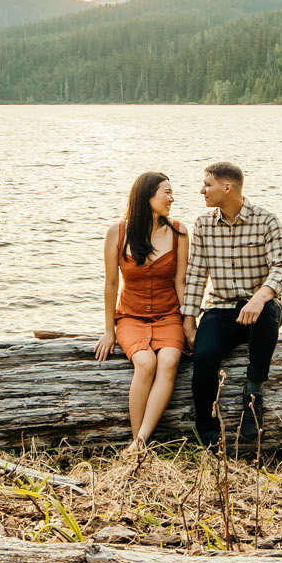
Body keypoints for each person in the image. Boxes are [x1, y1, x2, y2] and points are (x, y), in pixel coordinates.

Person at [181, 161, 282, 451]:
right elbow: (196, 273)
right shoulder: (203, 225)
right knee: (203, 357)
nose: (201, 190)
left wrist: (260, 296)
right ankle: (205, 427)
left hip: (260, 309)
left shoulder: (266, 220)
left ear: (226, 187)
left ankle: (252, 394)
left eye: (207, 184)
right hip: (221, 309)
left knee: (268, 311)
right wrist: (189, 319)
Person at [96, 171, 189, 449]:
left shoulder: (179, 232)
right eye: (167, 192)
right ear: (147, 196)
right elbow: (111, 284)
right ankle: (138, 443)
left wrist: (188, 323)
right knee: (146, 362)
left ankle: (140, 441)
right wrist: (108, 331)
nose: (172, 198)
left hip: (169, 315)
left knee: (170, 360)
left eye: (172, 192)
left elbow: (181, 282)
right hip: (130, 317)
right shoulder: (118, 232)